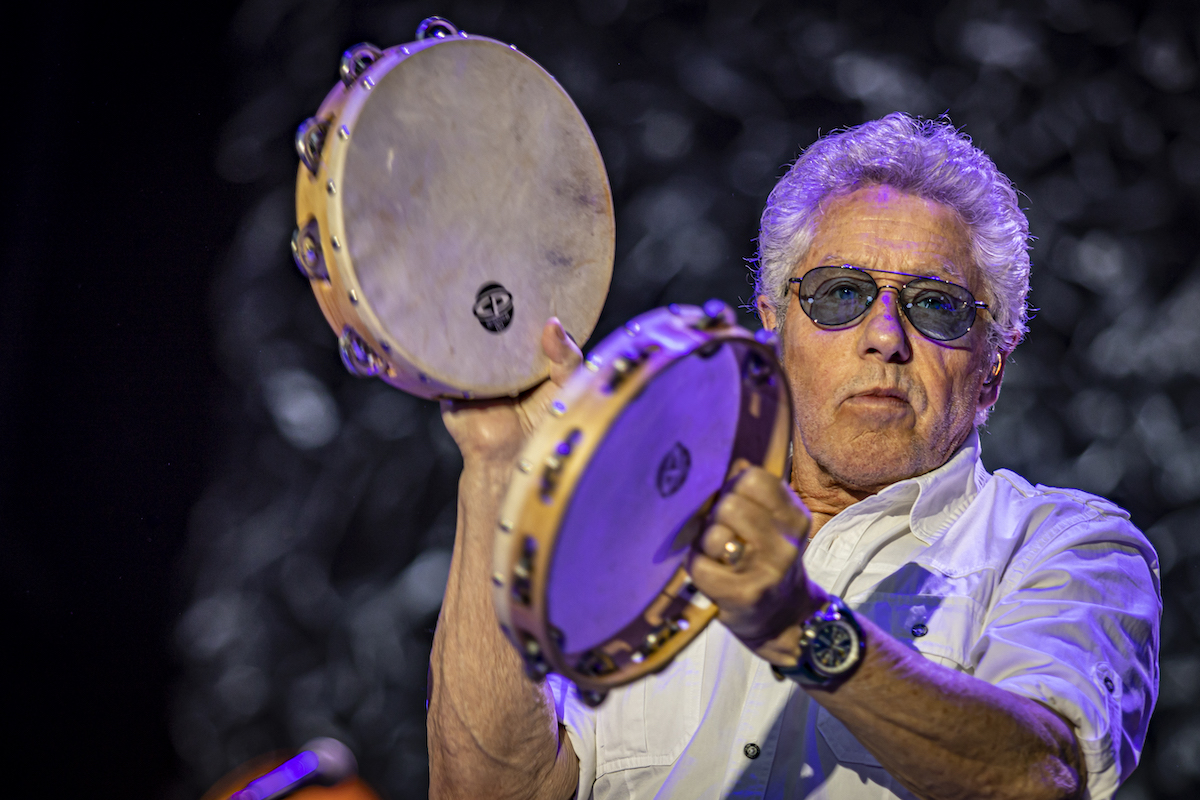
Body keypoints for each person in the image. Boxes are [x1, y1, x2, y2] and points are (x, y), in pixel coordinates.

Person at [426, 113, 1160, 800]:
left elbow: (1038, 778)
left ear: (994, 362)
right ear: (775, 325)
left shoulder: (1069, 547)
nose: (883, 337)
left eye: (936, 305)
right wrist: (496, 470)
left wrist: (793, 624)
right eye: (841, 294)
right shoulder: (638, 530)